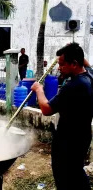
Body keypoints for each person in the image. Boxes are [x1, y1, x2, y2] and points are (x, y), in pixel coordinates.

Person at [31, 43, 93, 190]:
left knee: (64, 176)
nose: (59, 68)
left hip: (67, 142)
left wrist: (39, 90)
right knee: (76, 172)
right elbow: (86, 62)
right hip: (82, 137)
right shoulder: (89, 75)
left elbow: (46, 109)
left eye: (62, 64)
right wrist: (71, 48)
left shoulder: (73, 86)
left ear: (74, 64)